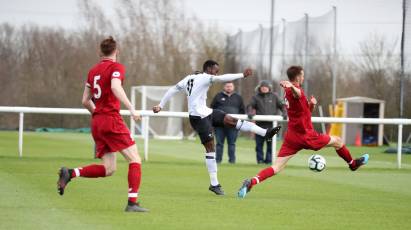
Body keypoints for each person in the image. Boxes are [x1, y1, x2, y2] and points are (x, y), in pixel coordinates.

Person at [237, 65, 369, 198]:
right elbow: (296, 93)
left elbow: (304, 113)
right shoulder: (293, 91)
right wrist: (291, 86)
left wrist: (311, 105)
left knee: (277, 167)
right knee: (338, 141)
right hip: (306, 135)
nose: (304, 77)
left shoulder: (290, 92)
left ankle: (251, 182)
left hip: (292, 137)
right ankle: (352, 164)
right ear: (298, 76)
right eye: (303, 74)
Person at [152, 60, 281, 196]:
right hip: (198, 118)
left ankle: (265, 133)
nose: (216, 73)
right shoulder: (205, 77)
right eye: (215, 70)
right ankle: (214, 184)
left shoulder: (189, 78)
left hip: (207, 112)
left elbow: (173, 89)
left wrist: (161, 105)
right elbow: (222, 78)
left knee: (232, 120)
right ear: (208, 69)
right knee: (211, 148)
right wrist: (242, 75)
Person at [57, 36, 148, 212]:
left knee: (109, 169)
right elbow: (115, 86)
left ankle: (71, 173)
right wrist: (131, 108)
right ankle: (132, 203)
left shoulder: (92, 71)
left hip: (97, 122)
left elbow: (85, 100)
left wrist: (97, 115)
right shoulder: (116, 67)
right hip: (111, 120)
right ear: (117, 51)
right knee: (135, 159)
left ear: (100, 52)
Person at [247, 80, 286, 164]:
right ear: (260, 88)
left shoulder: (275, 96)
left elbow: (282, 105)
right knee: (259, 145)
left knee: (270, 145)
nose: (264, 89)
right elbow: (250, 105)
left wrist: (285, 113)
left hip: (271, 125)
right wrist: (250, 112)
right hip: (259, 125)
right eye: (262, 87)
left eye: (266, 87)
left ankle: (269, 161)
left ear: (269, 88)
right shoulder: (256, 97)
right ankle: (260, 161)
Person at [210, 82, 245, 164]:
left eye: (230, 86)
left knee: (232, 144)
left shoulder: (238, 97)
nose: (229, 88)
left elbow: (242, 111)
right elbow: (212, 109)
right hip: (219, 125)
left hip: (233, 125)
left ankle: (232, 161)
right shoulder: (218, 96)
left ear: (233, 87)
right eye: (227, 86)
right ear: (224, 87)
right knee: (219, 143)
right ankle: (218, 161)